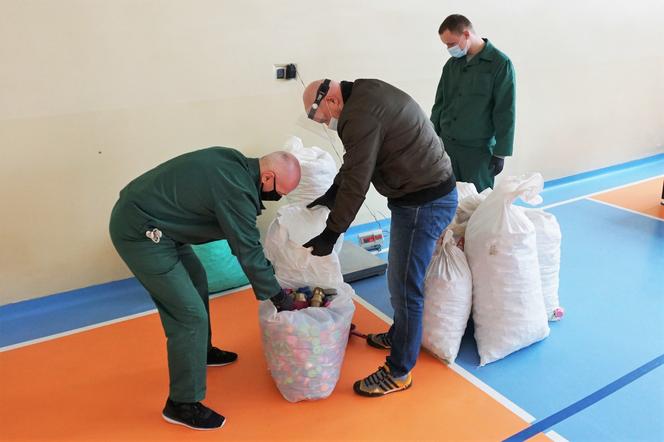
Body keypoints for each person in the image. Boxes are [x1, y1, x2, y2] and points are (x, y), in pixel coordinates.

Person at [109, 147, 300, 430]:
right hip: (142, 231)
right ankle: (182, 404)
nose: (277, 198)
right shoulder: (236, 189)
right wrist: (279, 297)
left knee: (196, 278)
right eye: (280, 192)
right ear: (268, 177)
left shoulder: (235, 162)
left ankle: (202, 351)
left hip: (163, 225)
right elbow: (247, 249)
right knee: (189, 316)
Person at [302, 78, 458, 397]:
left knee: (404, 288)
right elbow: (356, 162)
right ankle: (399, 335)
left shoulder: (357, 115)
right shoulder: (364, 94)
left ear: (331, 101)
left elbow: (358, 180)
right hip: (419, 195)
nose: (327, 124)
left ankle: (398, 372)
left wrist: (331, 233)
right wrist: (331, 195)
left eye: (322, 118)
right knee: (401, 280)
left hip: (423, 202)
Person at [431, 14, 516, 192]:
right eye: (446, 45)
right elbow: (440, 104)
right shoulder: (451, 66)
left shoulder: (500, 64)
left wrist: (500, 153)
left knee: (477, 206)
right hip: (448, 147)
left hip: (477, 153)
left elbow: (505, 111)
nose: (449, 48)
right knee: (449, 203)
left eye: (451, 43)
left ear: (467, 34)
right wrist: (432, 139)